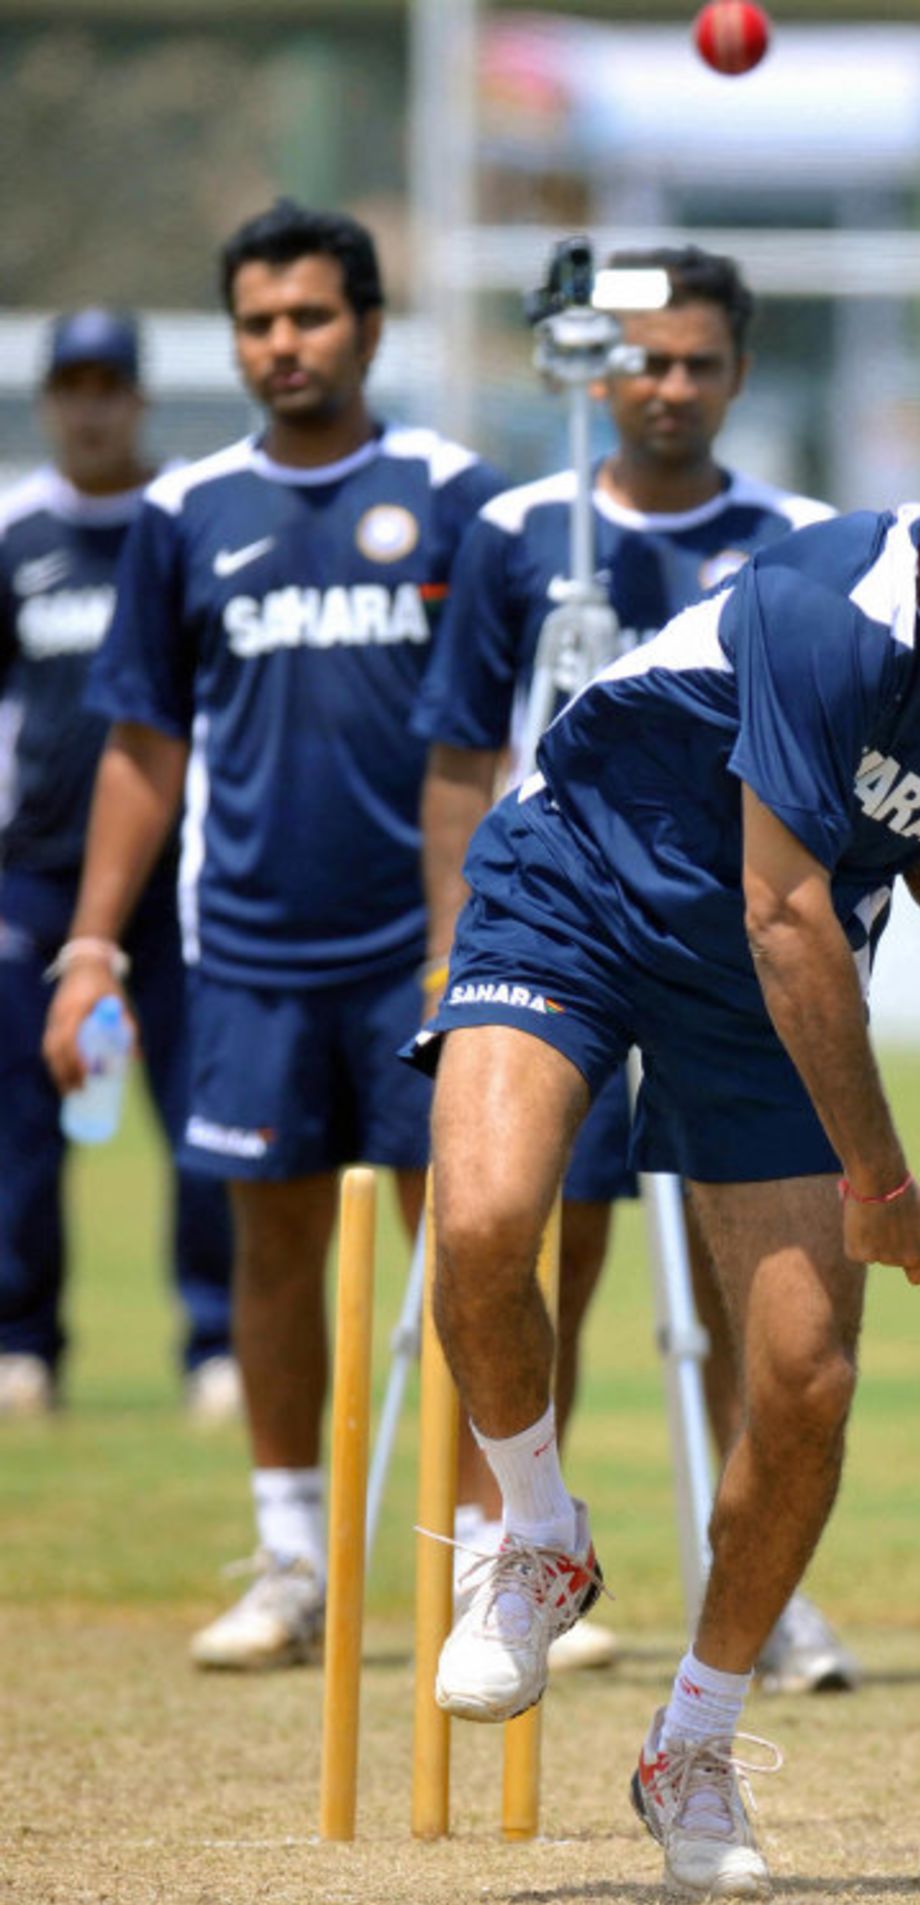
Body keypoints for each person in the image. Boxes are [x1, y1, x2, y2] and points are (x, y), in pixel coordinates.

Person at [407, 361, 920, 1897]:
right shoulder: (824, 598)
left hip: (757, 979)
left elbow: (913, 847)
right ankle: (536, 1530)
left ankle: (695, 1742)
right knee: (479, 1221)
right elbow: (789, 908)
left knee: (802, 1383)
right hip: (584, 886)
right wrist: (881, 1172)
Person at [42, 203, 505, 1667]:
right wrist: (92, 948)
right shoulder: (188, 515)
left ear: (366, 326)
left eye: (308, 317)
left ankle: (499, 1553)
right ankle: (294, 1558)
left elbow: (497, 741)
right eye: (256, 323)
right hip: (245, 954)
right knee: (273, 1250)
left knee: (474, 1252)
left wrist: (476, 939)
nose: (282, 345)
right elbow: (144, 748)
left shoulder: (453, 497)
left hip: (424, 955)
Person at [417, 243, 858, 1692]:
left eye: (698, 364)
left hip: (741, 955)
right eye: (644, 360)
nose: (668, 389)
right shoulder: (523, 525)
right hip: (570, 934)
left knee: (757, 1289)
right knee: (546, 1238)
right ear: (601, 367)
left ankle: (767, 1590)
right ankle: (524, 1550)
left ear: (738, 374)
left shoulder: (801, 539)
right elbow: (463, 752)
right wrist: (450, 952)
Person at [0, 309, 236, 1423]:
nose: (91, 407)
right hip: (34, 876)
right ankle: (22, 1345)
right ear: (50, 399)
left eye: (110, 385)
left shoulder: (183, 522)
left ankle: (216, 1347)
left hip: (179, 877)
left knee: (204, 1121)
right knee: (20, 1132)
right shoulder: (17, 534)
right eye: (73, 386)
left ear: (139, 398)